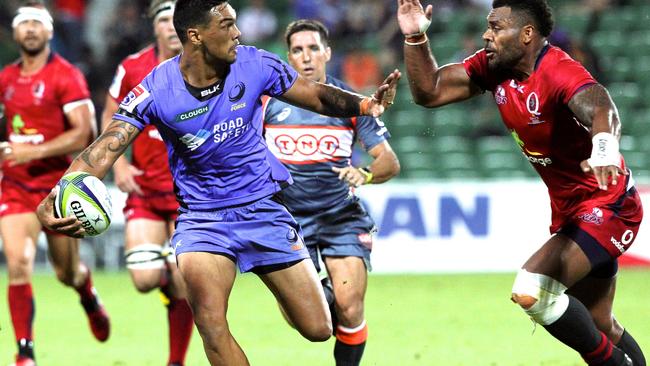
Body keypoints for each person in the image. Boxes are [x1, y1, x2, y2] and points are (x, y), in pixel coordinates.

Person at [36, 1, 400, 365]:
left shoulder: (255, 63)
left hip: (263, 208)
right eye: (227, 25)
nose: (237, 33)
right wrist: (57, 194)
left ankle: (290, 287)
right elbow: (104, 149)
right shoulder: (156, 90)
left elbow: (316, 95)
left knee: (318, 328)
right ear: (195, 36)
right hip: (202, 219)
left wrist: (365, 105)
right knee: (211, 324)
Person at [396, 1, 644, 365]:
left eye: (496, 27)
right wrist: (415, 36)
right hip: (571, 211)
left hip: (609, 206)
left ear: (527, 34)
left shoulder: (558, 70)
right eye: (488, 26)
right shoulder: (495, 67)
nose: (486, 34)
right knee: (599, 324)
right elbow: (429, 92)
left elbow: (602, 107)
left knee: (532, 290)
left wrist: (604, 147)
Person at [263, 19, 400, 366]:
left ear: (327, 52)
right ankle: (319, 296)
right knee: (306, 322)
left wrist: (365, 174)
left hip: (341, 215)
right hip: (287, 221)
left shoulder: (350, 103)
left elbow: (389, 161)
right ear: (288, 57)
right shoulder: (266, 105)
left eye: (313, 48)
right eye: (297, 50)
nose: (306, 56)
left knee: (351, 307)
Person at [0, 2, 109, 366]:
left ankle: (87, 293)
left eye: (37, 23)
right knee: (19, 263)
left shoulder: (66, 76)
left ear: (49, 32)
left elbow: (86, 132)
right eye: (24, 24)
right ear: (15, 33)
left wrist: (35, 151)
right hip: (15, 187)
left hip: (56, 191)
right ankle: (24, 352)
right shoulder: (6, 79)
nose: (30, 29)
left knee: (66, 273)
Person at [100, 1, 193, 365]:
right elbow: (110, 114)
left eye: (177, 21)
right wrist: (119, 164)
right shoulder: (133, 67)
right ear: (153, 26)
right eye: (165, 20)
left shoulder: (202, 64)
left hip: (191, 194)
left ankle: (176, 360)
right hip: (147, 190)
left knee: (185, 278)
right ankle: (169, 283)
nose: (172, 27)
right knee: (144, 279)